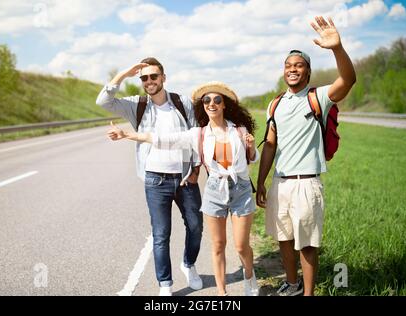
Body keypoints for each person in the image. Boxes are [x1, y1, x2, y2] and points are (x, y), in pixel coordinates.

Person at [108, 81, 260, 296]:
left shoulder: (240, 130)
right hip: (215, 190)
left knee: (241, 246)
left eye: (217, 100)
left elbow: (253, 159)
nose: (212, 103)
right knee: (217, 245)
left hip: (240, 189)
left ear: (224, 104)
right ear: (203, 106)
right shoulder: (198, 134)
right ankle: (222, 293)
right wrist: (128, 135)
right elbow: (162, 140)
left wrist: (252, 147)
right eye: (207, 100)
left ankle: (249, 276)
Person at [256, 16, 356, 296]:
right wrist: (262, 181)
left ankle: (309, 293)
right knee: (284, 239)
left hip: (306, 183)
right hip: (280, 182)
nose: (292, 70)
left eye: (298, 66)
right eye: (288, 66)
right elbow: (270, 146)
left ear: (307, 72)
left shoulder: (319, 97)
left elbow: (349, 79)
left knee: (308, 243)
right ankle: (292, 284)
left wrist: (337, 48)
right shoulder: (275, 104)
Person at [96, 57, 203, 296]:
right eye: (144, 77)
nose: (149, 81)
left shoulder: (181, 101)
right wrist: (125, 73)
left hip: (185, 178)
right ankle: (165, 284)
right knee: (161, 234)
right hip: (156, 181)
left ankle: (189, 264)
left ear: (163, 77)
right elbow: (103, 100)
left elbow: (196, 135)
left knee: (195, 227)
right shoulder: (138, 104)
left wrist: (195, 170)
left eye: (154, 76)